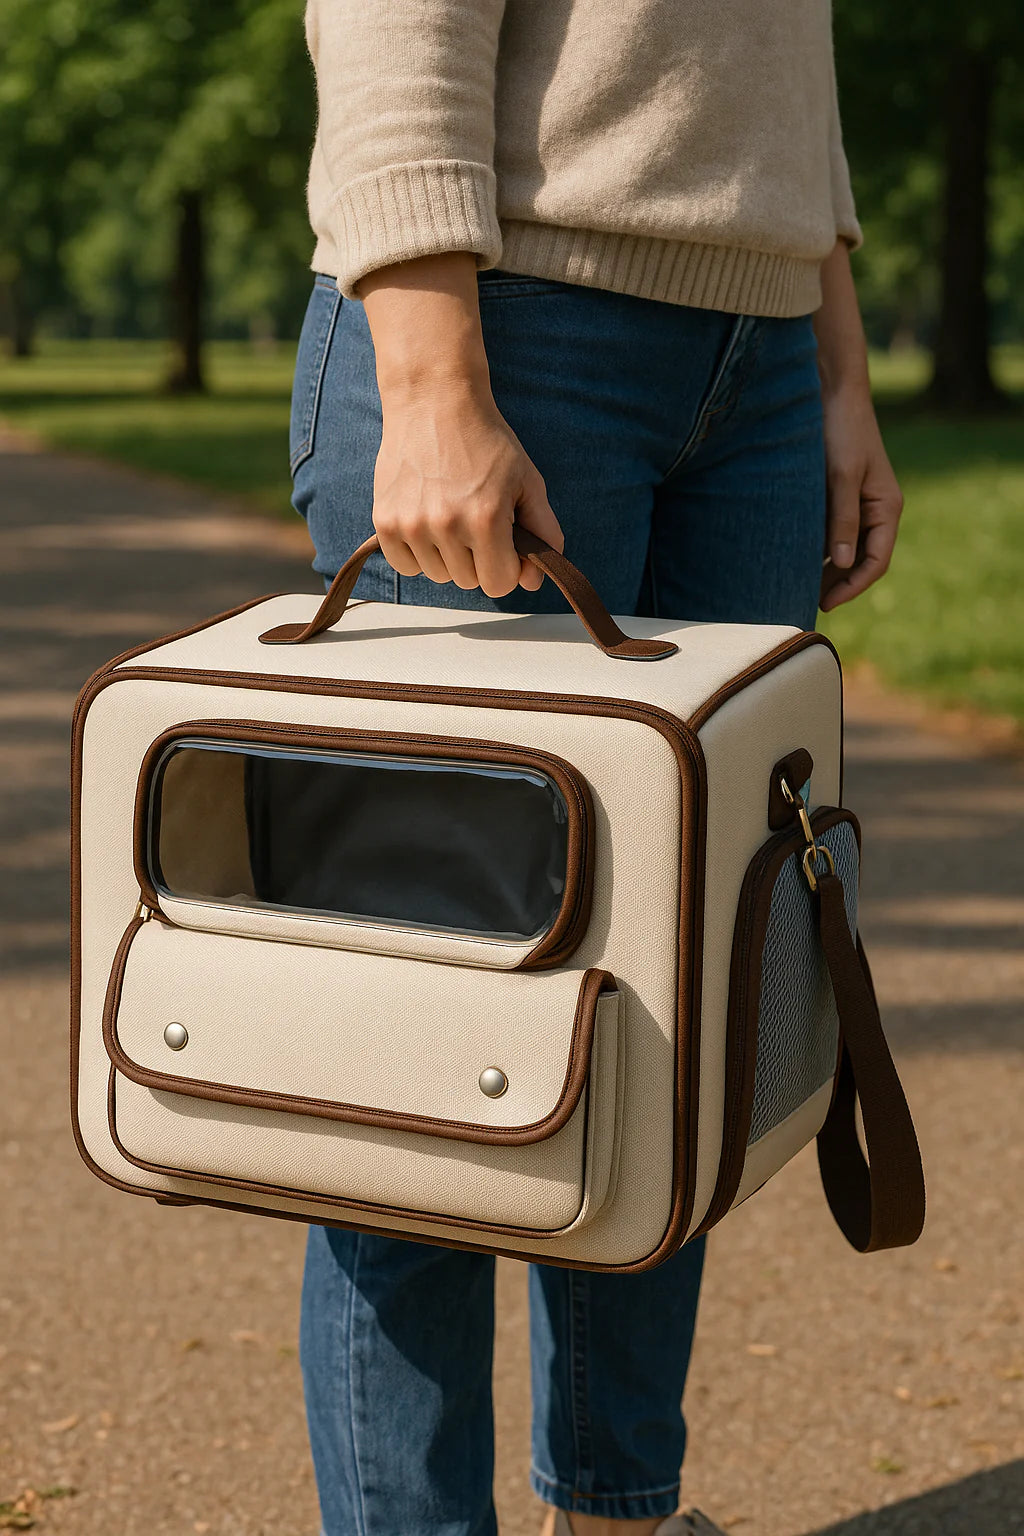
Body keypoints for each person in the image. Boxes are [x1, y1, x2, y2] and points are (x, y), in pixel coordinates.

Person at [290, 3, 903, 1533]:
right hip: (516, 321)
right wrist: (431, 380)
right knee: (433, 1032)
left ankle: (620, 1512)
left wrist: (833, 361)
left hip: (755, 362)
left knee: (677, 1010)